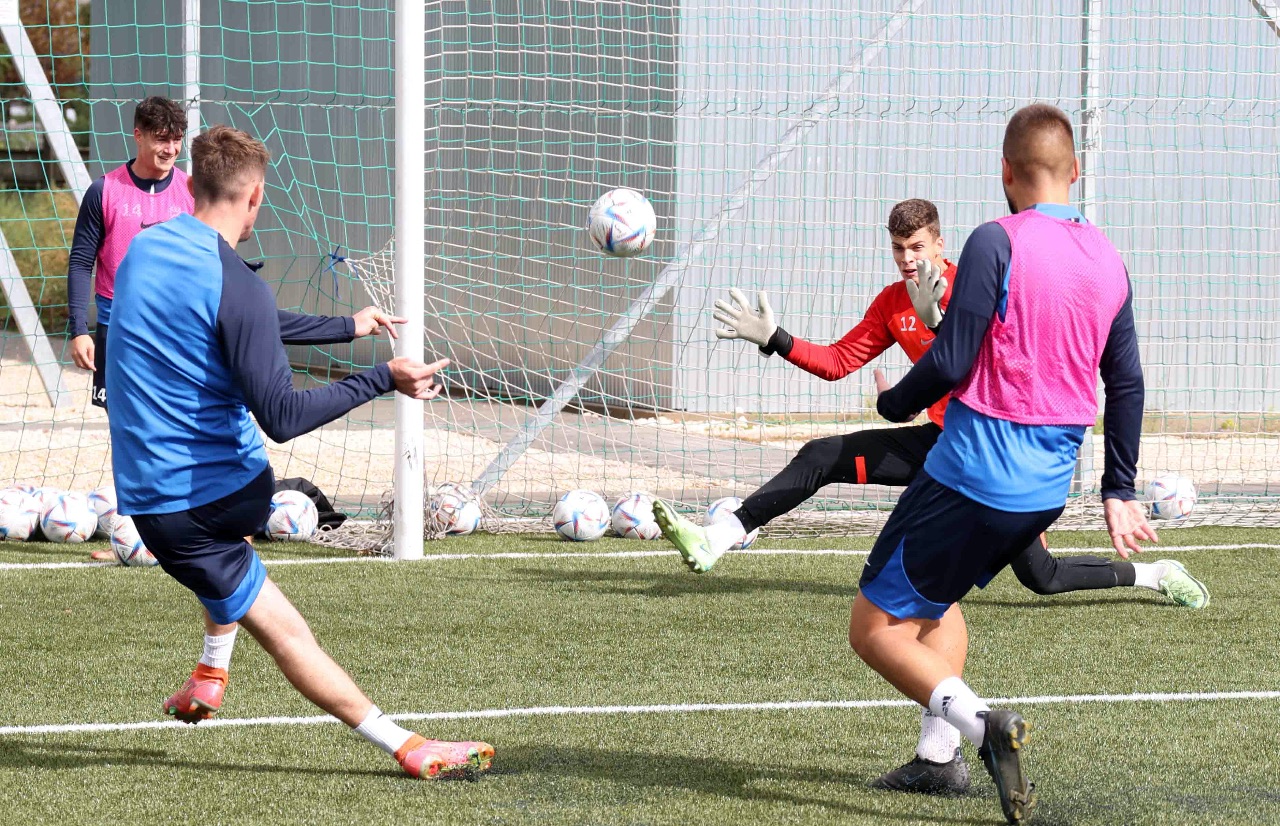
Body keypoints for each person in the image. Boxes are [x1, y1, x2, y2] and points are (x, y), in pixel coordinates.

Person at [105, 124, 493, 780]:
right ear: (254, 196)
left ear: (192, 185)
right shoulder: (239, 286)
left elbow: (242, 321)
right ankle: (407, 745)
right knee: (285, 630)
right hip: (217, 499)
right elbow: (281, 416)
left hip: (147, 498)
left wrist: (346, 328)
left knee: (222, 566)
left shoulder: (145, 249)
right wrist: (382, 377)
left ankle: (210, 675)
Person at [846, 104, 1154, 824]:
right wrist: (1118, 487)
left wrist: (892, 406)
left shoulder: (994, 239)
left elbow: (953, 360)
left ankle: (983, 727)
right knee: (938, 604)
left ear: (1007, 173)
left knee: (874, 629)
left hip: (972, 473)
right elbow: (1128, 383)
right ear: (1076, 171)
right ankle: (937, 760)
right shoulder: (1109, 258)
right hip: (1045, 491)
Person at [66, 96, 398, 559]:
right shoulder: (109, 195)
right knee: (138, 430)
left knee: (195, 444)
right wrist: (79, 327)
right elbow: (82, 259)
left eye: (176, 140)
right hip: (124, 337)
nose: (169, 149)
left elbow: (244, 314)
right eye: (160, 138)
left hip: (183, 355)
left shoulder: (180, 233)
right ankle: (157, 533)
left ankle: (186, 537)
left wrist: (346, 326)